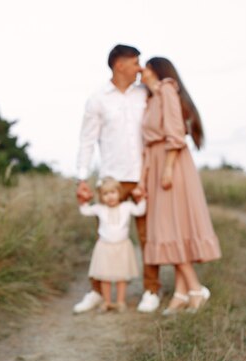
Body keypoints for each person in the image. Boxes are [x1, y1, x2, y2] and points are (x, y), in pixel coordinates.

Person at [74, 44, 162, 314]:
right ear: (120, 65)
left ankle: (151, 290)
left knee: (148, 238)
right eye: (136, 63)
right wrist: (82, 178)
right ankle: (97, 292)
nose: (140, 68)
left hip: (143, 177)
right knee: (105, 238)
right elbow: (87, 140)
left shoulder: (144, 95)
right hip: (111, 180)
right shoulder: (98, 98)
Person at [135, 57, 222, 314]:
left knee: (170, 228)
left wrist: (169, 168)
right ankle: (183, 293)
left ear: (154, 71)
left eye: (145, 67)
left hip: (171, 164)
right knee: (171, 230)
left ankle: (195, 289)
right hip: (157, 163)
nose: (141, 71)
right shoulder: (152, 98)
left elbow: (175, 132)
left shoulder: (167, 90)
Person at [79, 177, 146, 313]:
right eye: (105, 194)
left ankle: (120, 302)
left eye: (113, 192)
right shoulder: (99, 209)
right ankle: (107, 302)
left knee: (121, 276)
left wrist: (141, 198)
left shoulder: (126, 207)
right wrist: (83, 200)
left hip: (122, 246)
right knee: (105, 277)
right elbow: (85, 211)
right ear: (101, 196)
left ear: (119, 193)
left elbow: (140, 211)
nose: (110, 197)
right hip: (104, 247)